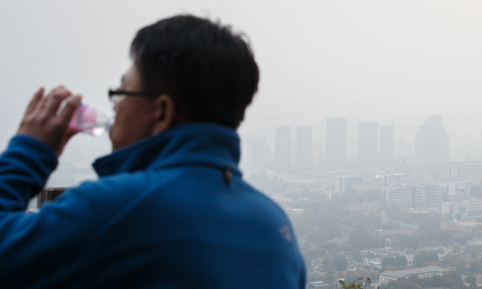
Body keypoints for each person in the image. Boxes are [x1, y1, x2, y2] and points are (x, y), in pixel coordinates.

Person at [0, 15, 305, 288]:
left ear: (161, 112)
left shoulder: (116, 209)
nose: (114, 108)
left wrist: (29, 150)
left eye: (121, 94)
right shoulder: (276, 230)